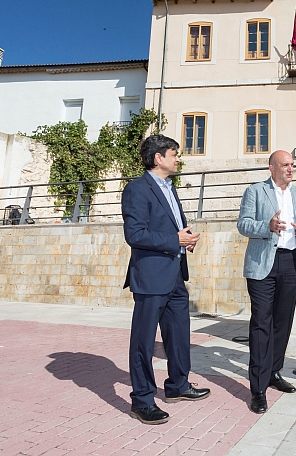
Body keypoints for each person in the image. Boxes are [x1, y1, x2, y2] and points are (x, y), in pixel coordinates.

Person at [122, 135, 210, 425]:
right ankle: (142, 401)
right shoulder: (137, 189)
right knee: (143, 342)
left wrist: (185, 241)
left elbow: (171, 229)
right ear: (158, 158)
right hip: (150, 277)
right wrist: (175, 239)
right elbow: (135, 235)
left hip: (175, 275)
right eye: (173, 154)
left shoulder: (170, 188)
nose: (177, 159)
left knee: (179, 335)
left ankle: (177, 386)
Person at [237, 150, 296, 413]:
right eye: (285, 165)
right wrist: (266, 226)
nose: (291, 169)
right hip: (262, 265)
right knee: (261, 323)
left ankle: (274, 372)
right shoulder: (255, 191)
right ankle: (257, 388)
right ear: (272, 168)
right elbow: (243, 224)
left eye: (292, 165)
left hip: (291, 262)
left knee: (283, 322)